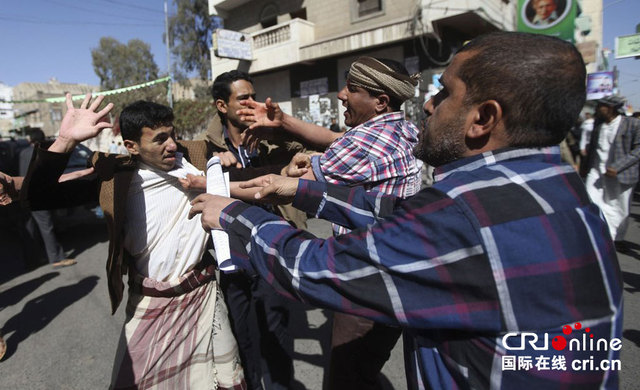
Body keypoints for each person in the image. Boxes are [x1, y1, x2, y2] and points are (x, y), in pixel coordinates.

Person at [189, 32, 623, 389]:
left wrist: (233, 215)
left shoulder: (460, 216)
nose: (429, 105)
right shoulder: (567, 194)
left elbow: (312, 267)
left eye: (445, 92)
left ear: (484, 117)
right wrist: (301, 192)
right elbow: (394, 209)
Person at [20, 96, 245, 389]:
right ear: (132, 146)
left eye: (173, 135)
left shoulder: (197, 162)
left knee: (220, 379)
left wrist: (228, 161)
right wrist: (65, 141)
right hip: (150, 304)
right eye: (160, 139)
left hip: (202, 298)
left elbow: (250, 175)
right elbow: (35, 197)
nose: (172, 145)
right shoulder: (116, 179)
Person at [241, 57, 422, 389]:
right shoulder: (402, 128)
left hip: (364, 284)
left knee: (345, 378)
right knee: (364, 369)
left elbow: (282, 188)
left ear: (380, 101)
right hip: (398, 273)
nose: (341, 94)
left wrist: (210, 188)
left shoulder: (362, 144)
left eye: (352, 89)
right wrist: (285, 123)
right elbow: (335, 139)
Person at [208, 70, 306, 390]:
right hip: (233, 255)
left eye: (253, 95)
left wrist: (275, 127)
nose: (251, 103)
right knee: (244, 337)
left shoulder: (268, 135)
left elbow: (302, 148)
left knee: (276, 339)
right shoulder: (207, 150)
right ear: (222, 106)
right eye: (242, 98)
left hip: (273, 249)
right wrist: (215, 168)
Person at [583, 95, 640, 251]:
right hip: (596, 172)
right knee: (590, 201)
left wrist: (618, 166)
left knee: (620, 207)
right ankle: (596, 234)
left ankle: (617, 239)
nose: (597, 109)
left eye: (600, 106)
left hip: (621, 174)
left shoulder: (632, 124)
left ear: (610, 108)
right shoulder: (598, 124)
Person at [19, 128, 76, 268]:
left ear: (29, 139)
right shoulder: (43, 153)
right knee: (47, 227)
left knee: (30, 228)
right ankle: (56, 257)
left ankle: (33, 260)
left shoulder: (22, 153)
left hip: (22, 194)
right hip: (38, 195)